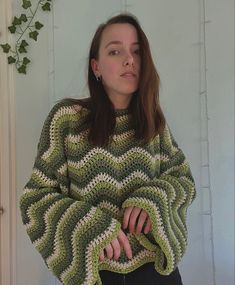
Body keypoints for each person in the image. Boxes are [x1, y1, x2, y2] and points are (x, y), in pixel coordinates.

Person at [19, 13, 196, 285]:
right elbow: (35, 199)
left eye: (137, 51)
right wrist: (91, 226)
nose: (129, 59)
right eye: (115, 51)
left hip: (156, 273)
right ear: (96, 66)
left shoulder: (154, 122)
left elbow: (183, 180)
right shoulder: (66, 119)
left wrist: (154, 198)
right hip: (93, 273)